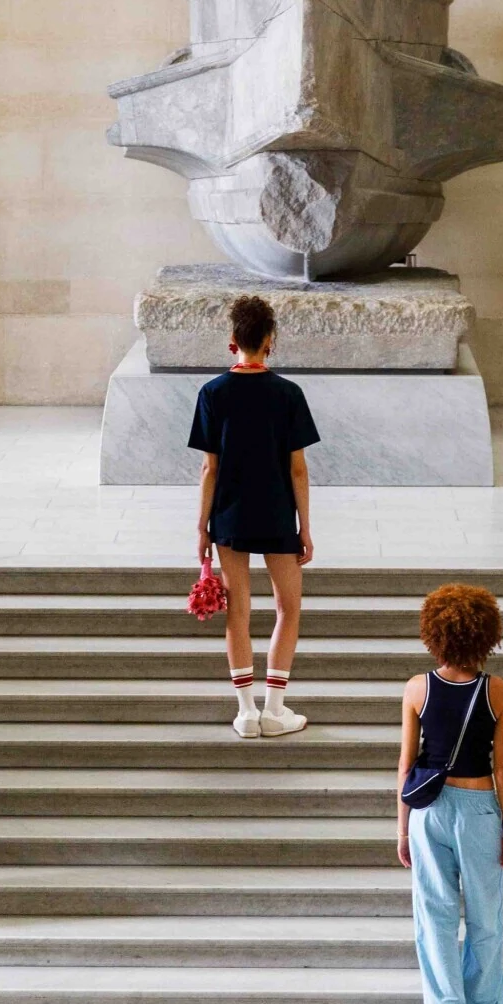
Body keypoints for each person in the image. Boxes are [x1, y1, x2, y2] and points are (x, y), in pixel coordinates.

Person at [396, 583, 503, 1004]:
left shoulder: (417, 687)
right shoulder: (498, 691)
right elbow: (502, 767)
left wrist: (401, 827)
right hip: (479, 808)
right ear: (487, 635)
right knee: (487, 920)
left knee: (435, 917)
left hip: (427, 811)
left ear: (434, 634)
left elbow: (407, 765)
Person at [190, 293, 318, 739]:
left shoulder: (212, 393)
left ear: (232, 341)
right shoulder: (288, 394)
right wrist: (305, 526)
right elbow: (297, 467)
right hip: (278, 513)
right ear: (270, 340)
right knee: (288, 606)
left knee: (238, 610)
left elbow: (210, 467)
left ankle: (246, 711)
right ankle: (275, 708)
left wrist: (202, 526)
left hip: (229, 514)